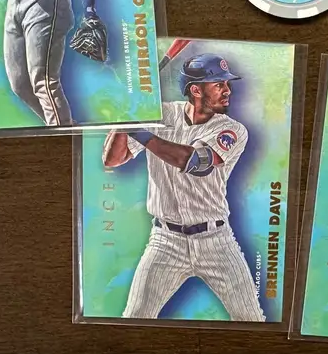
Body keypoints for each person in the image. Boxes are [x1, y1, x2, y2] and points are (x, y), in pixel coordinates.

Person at [103, 53, 265, 322]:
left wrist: (140, 130)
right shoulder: (162, 114)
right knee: (134, 319)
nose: (227, 90)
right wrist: (125, 118)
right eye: (219, 84)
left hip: (216, 241)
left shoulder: (232, 130)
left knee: (251, 320)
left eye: (227, 84)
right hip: (165, 241)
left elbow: (195, 162)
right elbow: (113, 159)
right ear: (195, 90)